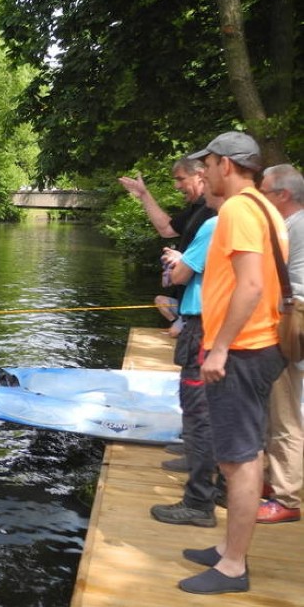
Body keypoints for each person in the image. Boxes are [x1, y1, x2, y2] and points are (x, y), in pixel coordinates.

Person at [178, 131, 287, 595]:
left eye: (207, 164)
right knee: (242, 454)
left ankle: (233, 567)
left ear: (226, 164)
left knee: (239, 461)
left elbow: (249, 286)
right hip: (260, 346)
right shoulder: (264, 206)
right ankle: (228, 549)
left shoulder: (241, 209)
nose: (203, 172)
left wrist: (219, 347)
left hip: (243, 350)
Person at [149, 170, 224, 528]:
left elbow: (181, 275)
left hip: (205, 326)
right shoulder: (250, 219)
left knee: (198, 411)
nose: (198, 189)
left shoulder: (215, 224)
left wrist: (177, 261)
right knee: (209, 410)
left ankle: (199, 502)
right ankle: (211, 483)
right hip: (211, 325)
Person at [255, 164, 304, 524]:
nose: (260, 199)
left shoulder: (289, 228)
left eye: (265, 193)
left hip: (291, 319)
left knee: (285, 413)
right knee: (281, 407)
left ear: (282, 196)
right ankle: (274, 483)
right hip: (293, 319)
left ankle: (287, 498)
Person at [120, 158, 215, 339]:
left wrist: (182, 260)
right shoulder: (197, 209)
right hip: (188, 302)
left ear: (199, 176)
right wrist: (144, 195)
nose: (176, 186)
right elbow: (166, 229)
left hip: (204, 306)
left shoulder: (215, 212)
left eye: (180, 179)